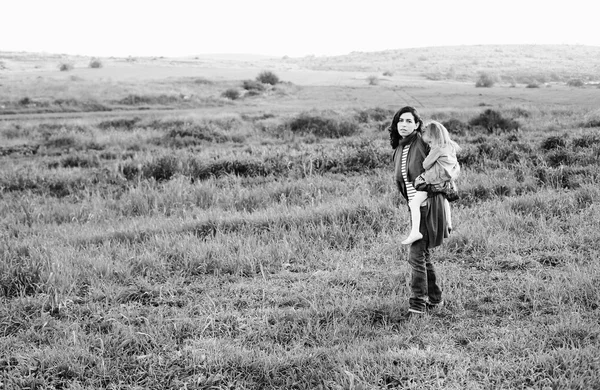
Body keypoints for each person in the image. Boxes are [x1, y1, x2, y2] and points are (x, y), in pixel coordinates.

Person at [390, 106, 450, 316]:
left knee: (416, 256)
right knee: (423, 255)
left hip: (428, 204)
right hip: (414, 206)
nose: (404, 125)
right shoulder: (399, 147)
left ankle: (417, 305)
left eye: (409, 121)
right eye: (400, 121)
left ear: (417, 125)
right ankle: (435, 299)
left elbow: (445, 162)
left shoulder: (423, 142)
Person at [401, 121, 461, 245]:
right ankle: (448, 223)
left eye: (430, 141)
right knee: (444, 200)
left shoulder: (437, 149)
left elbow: (425, 164)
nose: (429, 144)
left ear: (434, 137)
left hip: (432, 182)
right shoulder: (450, 146)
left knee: (413, 203)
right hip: (445, 183)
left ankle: (415, 232)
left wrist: (431, 153)